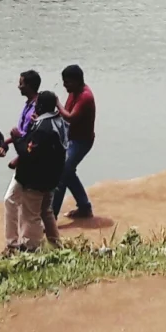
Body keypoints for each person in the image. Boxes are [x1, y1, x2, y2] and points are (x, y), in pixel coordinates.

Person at [4, 92, 66, 254]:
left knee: (30, 215)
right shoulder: (58, 122)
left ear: (40, 106)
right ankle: (56, 246)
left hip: (36, 179)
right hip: (52, 177)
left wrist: (17, 138)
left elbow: (27, 152)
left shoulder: (43, 128)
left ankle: (33, 249)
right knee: (46, 211)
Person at [47, 65, 96, 223]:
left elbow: (70, 117)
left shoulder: (85, 96)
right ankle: (84, 207)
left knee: (62, 174)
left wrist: (56, 103)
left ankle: (51, 217)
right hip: (70, 138)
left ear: (77, 81)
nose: (64, 85)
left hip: (82, 141)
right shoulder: (74, 92)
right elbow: (64, 114)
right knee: (68, 172)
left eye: (67, 82)